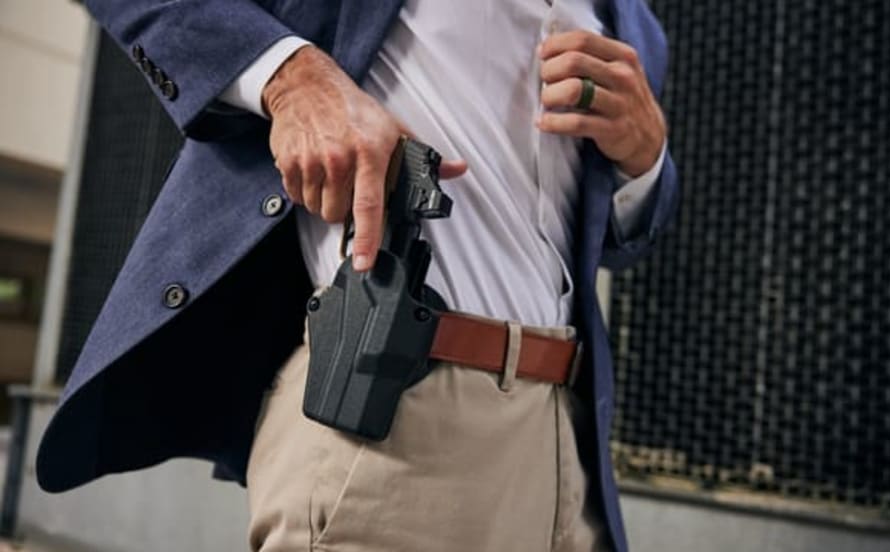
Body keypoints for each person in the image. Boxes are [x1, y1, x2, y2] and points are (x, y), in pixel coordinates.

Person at [36, 1, 678, 550]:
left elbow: (608, 238)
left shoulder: (635, 23)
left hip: (567, 444)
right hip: (392, 414)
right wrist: (290, 80)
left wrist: (647, 160)